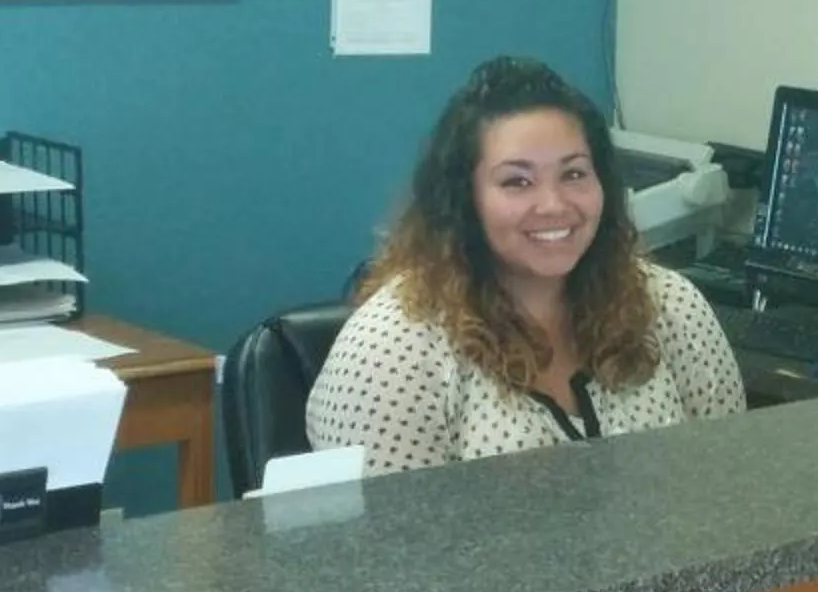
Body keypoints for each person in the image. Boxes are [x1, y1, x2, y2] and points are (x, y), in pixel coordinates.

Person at [306, 56, 746, 475]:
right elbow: (382, 546)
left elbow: (728, 488)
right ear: (465, 200)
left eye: (574, 174)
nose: (554, 205)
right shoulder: (393, 348)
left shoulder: (670, 306)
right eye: (517, 181)